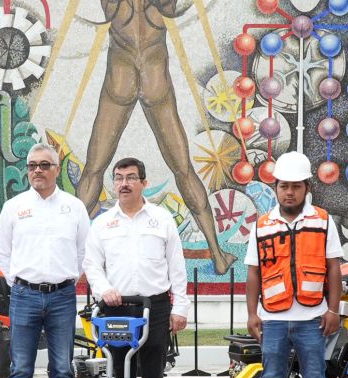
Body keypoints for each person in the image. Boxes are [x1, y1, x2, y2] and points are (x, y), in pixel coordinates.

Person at [75, 0, 235, 274]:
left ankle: (71, 256)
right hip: (154, 74)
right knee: (183, 170)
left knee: (93, 169)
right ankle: (218, 257)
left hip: (120, 74)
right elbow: (169, 11)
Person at [244, 152, 344, 378]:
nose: (289, 192)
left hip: (312, 318)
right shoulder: (262, 226)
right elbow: (253, 271)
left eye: (296, 186)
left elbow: (334, 268)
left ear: (307, 187)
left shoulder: (323, 221)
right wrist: (251, 314)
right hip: (273, 318)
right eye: (284, 186)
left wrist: (333, 310)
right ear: (275, 188)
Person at [0, 143, 91, 378]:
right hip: (24, 296)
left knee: (62, 369)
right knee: (20, 369)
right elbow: (3, 253)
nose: (38, 170)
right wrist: (19, 282)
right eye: (33, 165)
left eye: (45, 165)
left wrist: (66, 278)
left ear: (57, 168)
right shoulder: (14, 207)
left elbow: (83, 252)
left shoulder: (74, 207)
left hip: (63, 297)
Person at [83, 157, 189, 378]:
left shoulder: (162, 219)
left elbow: (176, 266)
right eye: (118, 178)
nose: (124, 184)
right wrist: (104, 289)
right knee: (117, 376)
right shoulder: (103, 223)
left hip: (153, 308)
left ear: (144, 183)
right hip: (116, 310)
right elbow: (92, 264)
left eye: (131, 178)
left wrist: (180, 308)